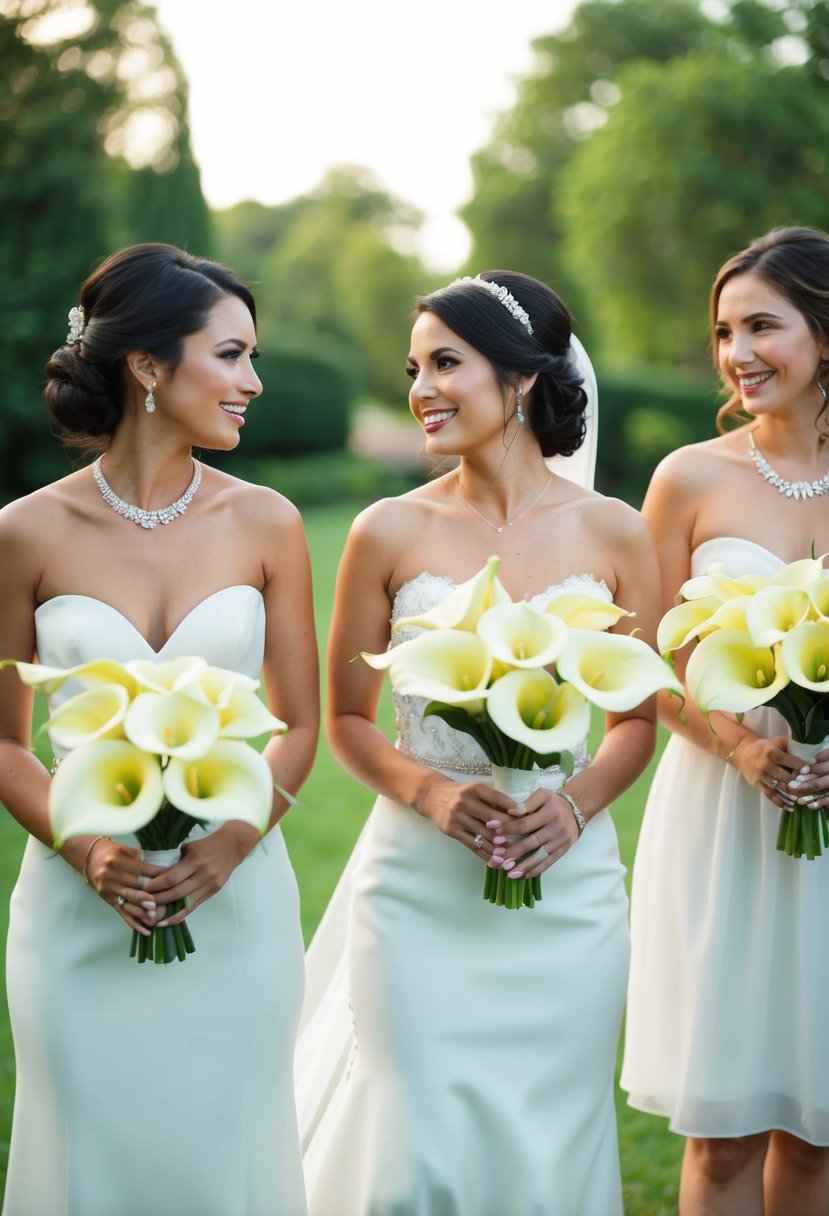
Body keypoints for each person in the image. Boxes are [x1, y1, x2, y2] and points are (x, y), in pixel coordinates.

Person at [296, 270, 663, 1215]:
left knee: (552, 1137)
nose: (421, 388)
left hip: (567, 885)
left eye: (445, 363)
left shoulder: (617, 533)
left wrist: (574, 806)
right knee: (416, 1146)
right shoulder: (387, 530)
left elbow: (635, 724)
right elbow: (342, 719)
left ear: (524, 378)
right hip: (418, 885)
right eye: (413, 367)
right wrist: (430, 793)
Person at [0, 243, 319, 1216]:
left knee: (226, 1159)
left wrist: (230, 845)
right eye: (230, 355)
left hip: (236, 900)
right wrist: (88, 848)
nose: (253, 381)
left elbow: (300, 722)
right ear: (147, 364)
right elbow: (7, 741)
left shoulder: (268, 523)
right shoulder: (24, 532)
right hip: (74, 913)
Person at [621, 226, 829, 1215]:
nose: (736, 353)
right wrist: (741, 743)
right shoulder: (689, 477)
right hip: (721, 821)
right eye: (722, 330)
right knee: (723, 1140)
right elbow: (640, 666)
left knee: (822, 1141)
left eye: (761, 326)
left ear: (822, 331)